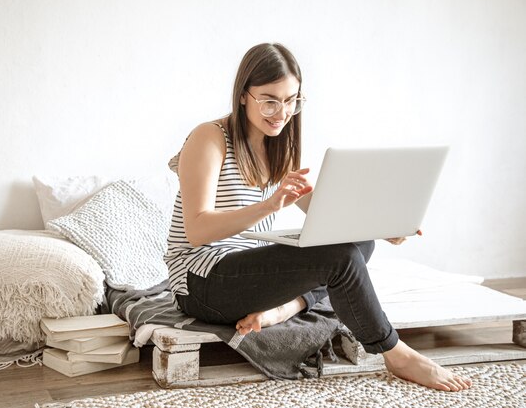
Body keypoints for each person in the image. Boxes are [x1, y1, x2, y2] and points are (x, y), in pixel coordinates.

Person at [164, 42, 472, 392]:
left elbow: (326, 214)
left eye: (291, 100)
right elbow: (197, 229)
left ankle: (286, 308)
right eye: (269, 100)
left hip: (243, 274)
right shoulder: (210, 137)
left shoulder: (277, 144)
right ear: (244, 96)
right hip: (201, 281)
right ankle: (395, 352)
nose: (281, 112)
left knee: (357, 243)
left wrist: (386, 224)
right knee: (339, 259)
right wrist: (269, 206)